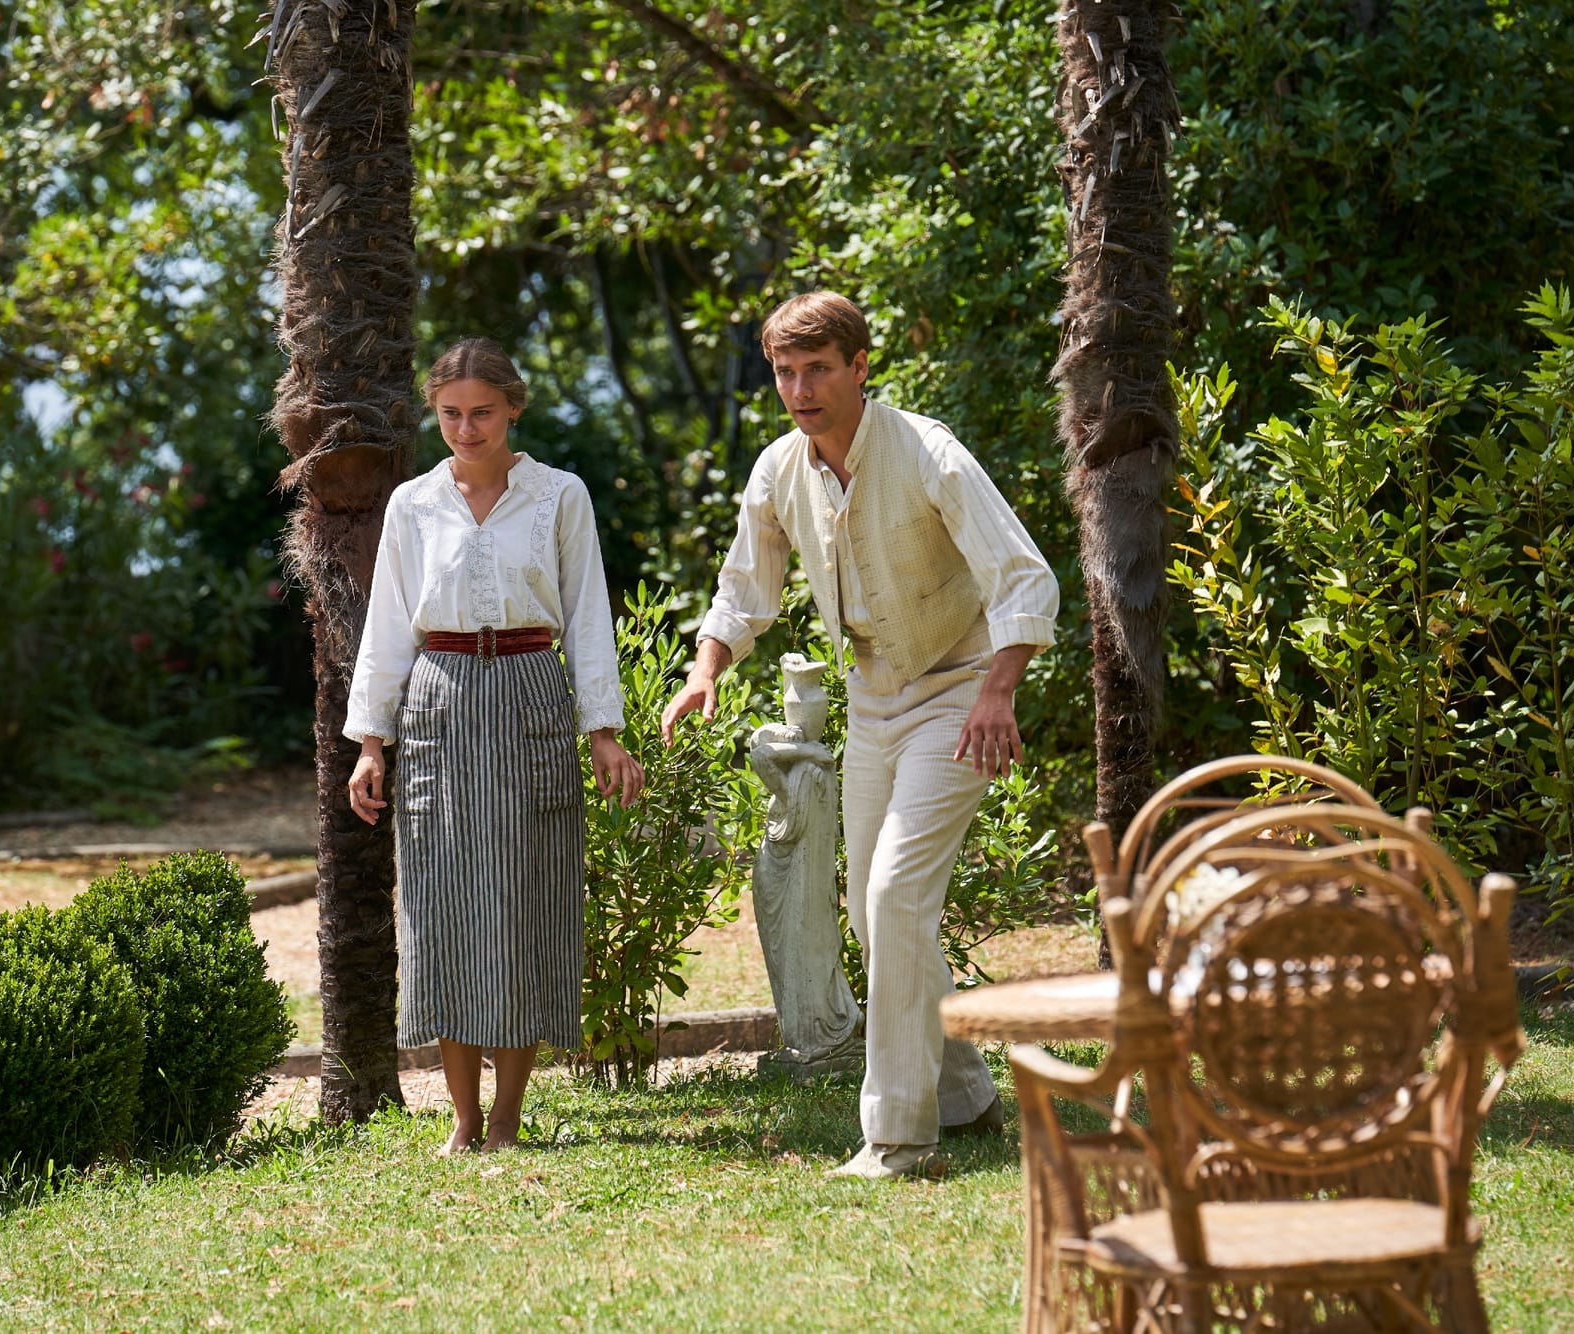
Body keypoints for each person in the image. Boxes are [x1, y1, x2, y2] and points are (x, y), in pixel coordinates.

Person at [661, 292, 1058, 1180]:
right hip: (872, 700)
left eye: (817, 369)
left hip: (960, 690)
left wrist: (1000, 690)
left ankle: (898, 1138)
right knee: (876, 920)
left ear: (860, 366)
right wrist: (705, 670)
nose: (799, 389)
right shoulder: (777, 470)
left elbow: (1024, 576)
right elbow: (743, 591)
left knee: (895, 895)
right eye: (784, 372)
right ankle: (965, 1094)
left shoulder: (927, 451)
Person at [345, 337, 645, 1155]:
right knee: (443, 905)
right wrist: (372, 744)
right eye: (450, 414)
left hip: (529, 694)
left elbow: (588, 617)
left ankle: (508, 1118)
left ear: (514, 408)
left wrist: (604, 734)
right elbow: (386, 627)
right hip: (438, 700)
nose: (466, 429)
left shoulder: (560, 496)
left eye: (482, 413)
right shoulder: (412, 504)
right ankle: (463, 1118)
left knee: (523, 904)